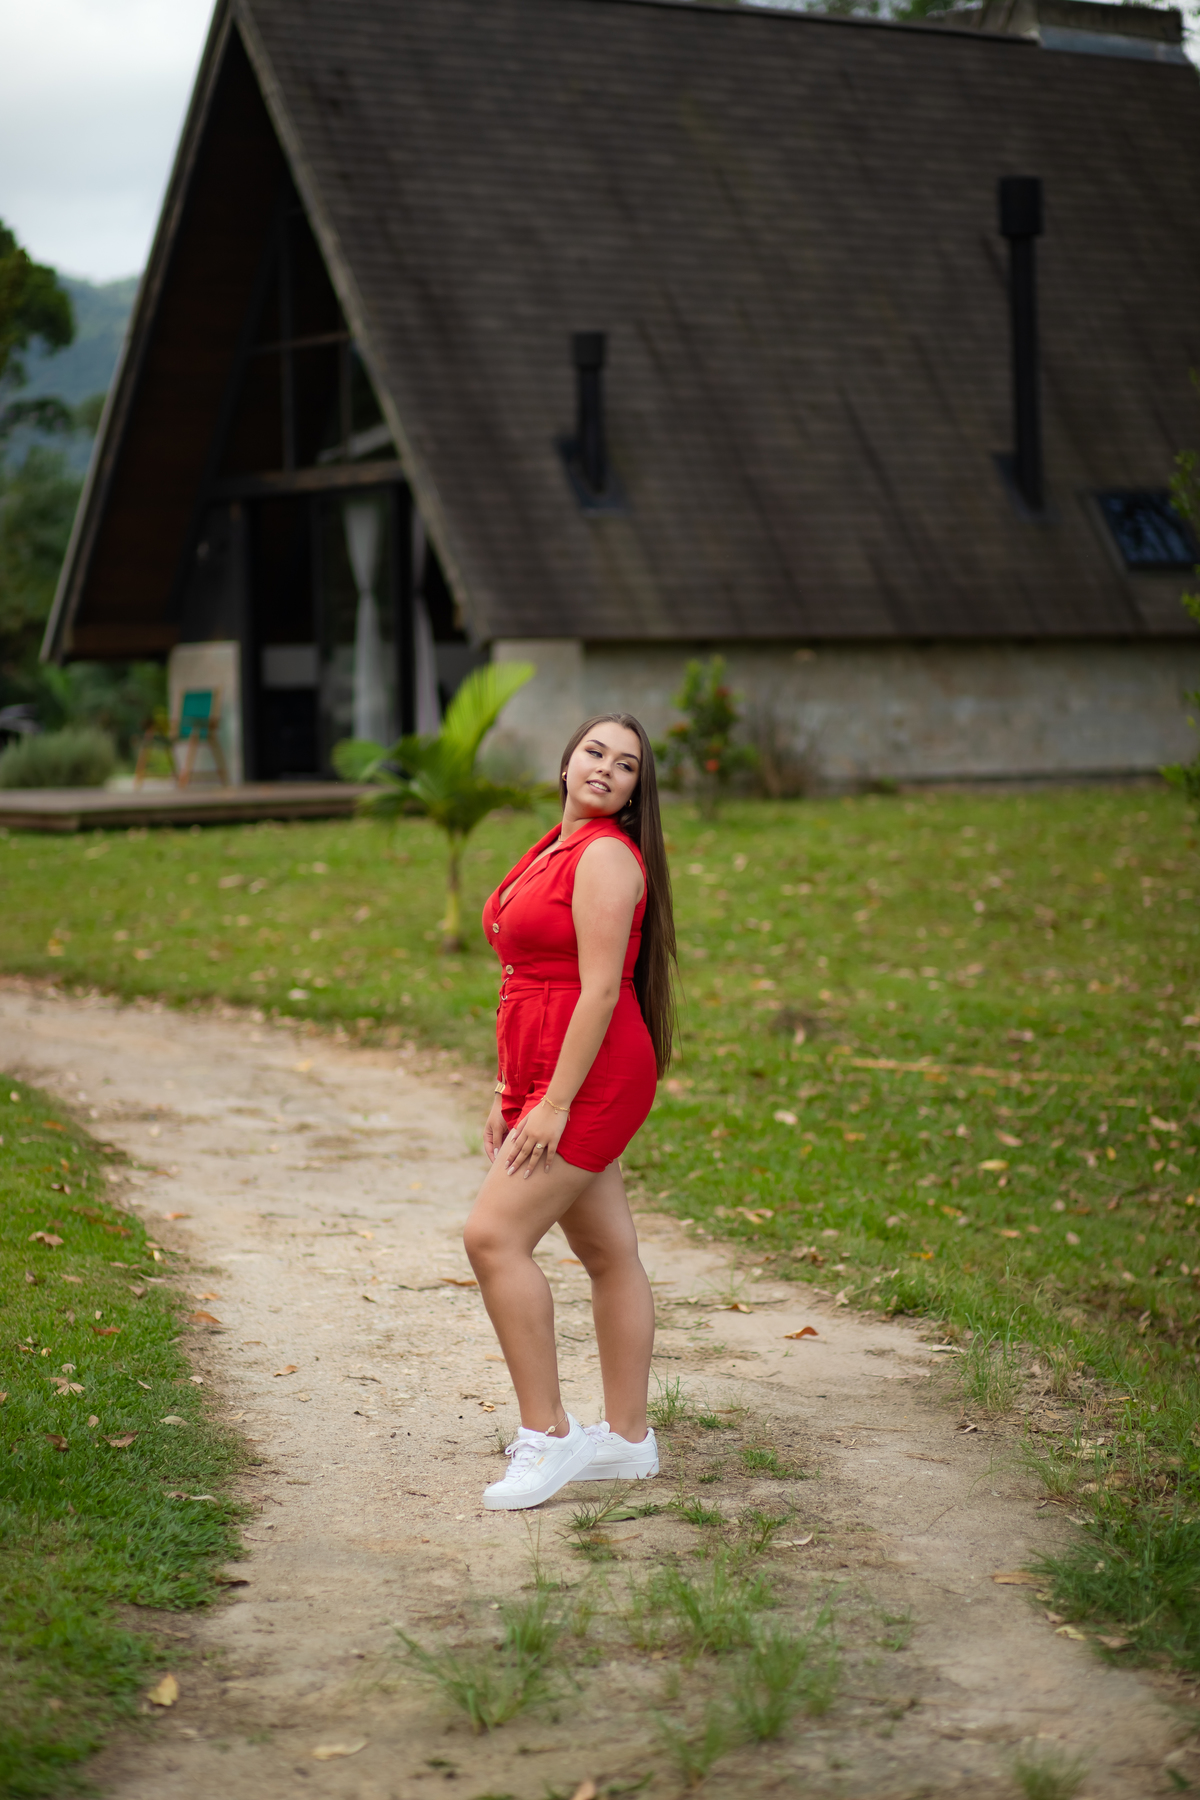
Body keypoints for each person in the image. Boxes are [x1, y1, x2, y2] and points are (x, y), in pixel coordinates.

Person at [463, 713, 678, 1510]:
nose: (605, 769)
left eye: (625, 766)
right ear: (566, 763)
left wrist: (551, 1105)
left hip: (593, 1077)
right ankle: (628, 1441)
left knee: (493, 1236)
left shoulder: (607, 858)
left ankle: (549, 1435)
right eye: (595, 751)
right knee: (607, 1251)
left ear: (633, 793)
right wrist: (507, 1091)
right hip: (547, 1071)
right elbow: (524, 979)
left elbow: (598, 991)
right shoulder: (551, 848)